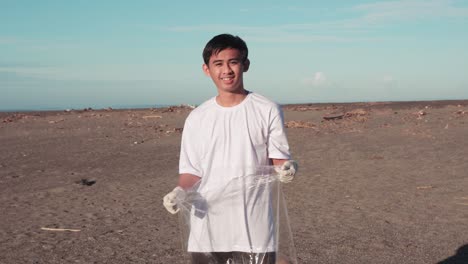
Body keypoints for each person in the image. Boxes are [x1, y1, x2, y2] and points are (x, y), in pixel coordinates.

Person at [163, 33, 298, 264]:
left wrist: (287, 168)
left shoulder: (268, 109)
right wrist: (179, 192)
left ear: (245, 65)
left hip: (255, 228)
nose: (226, 70)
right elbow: (191, 171)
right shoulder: (197, 118)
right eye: (218, 64)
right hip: (207, 228)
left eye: (233, 62)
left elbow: (278, 161)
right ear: (206, 69)